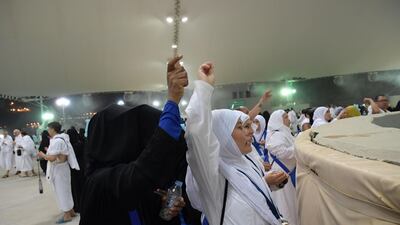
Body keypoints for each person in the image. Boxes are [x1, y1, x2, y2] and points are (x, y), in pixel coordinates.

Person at [79, 55, 188, 225]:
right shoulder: (100, 182)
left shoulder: (126, 176)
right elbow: (144, 170)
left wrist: (166, 209)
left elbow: (149, 210)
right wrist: (172, 100)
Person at [185, 62, 283, 225]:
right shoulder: (213, 177)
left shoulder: (245, 162)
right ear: (221, 136)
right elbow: (197, 136)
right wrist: (204, 88)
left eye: (248, 125)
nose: (251, 131)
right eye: (241, 127)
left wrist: (268, 184)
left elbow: (249, 195)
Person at [37, 122, 80, 224]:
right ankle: (71, 211)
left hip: (59, 169)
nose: (48, 131)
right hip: (63, 168)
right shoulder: (62, 138)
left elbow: (52, 158)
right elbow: (59, 153)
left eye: (48, 129)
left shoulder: (57, 141)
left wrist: (42, 154)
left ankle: (66, 215)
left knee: (61, 192)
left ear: (53, 129)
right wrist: (49, 151)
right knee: (66, 191)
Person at [265, 110, 298, 225]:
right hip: (281, 175)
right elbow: (280, 152)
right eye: (285, 117)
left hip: (288, 173)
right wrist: (298, 149)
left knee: (291, 205)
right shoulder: (278, 135)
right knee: (286, 206)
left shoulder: (285, 132)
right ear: (278, 121)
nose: (288, 119)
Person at [67, 127, 85, 213]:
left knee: (76, 188)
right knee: (83, 187)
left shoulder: (71, 146)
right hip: (83, 167)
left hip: (74, 169)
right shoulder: (81, 142)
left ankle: (77, 206)